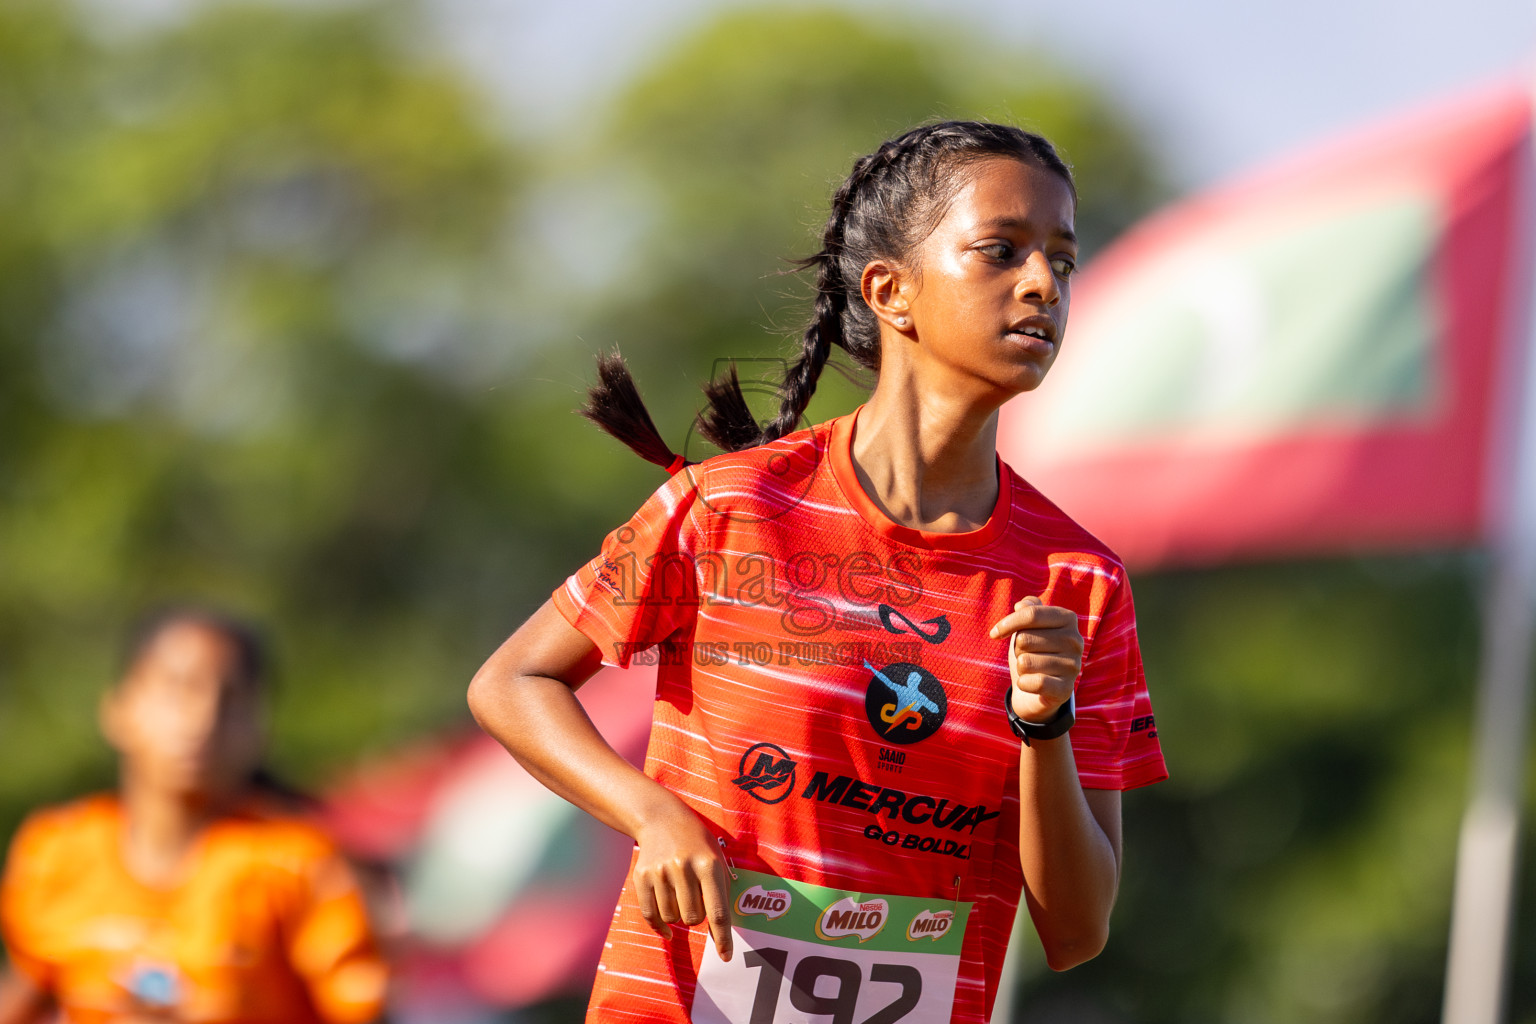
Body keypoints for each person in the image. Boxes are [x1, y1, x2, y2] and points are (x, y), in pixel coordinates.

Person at [468, 120, 1168, 1023]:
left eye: (1062, 261)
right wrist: (650, 814)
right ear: (891, 290)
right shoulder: (730, 508)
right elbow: (512, 683)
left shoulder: (1079, 581)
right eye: (1001, 251)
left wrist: (1047, 724)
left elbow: (1076, 931)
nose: (1042, 283)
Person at [0, 608, 388, 1024]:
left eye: (231, 699)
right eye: (179, 689)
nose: (203, 719)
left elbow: (362, 1009)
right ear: (118, 708)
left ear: (261, 728)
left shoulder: (298, 862)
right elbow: (28, 992)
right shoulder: (58, 851)